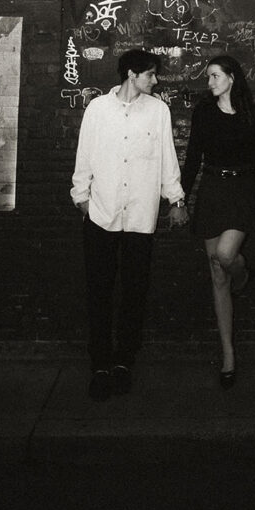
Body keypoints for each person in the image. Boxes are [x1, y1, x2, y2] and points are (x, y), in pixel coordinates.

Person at [71, 49, 189, 400]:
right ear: (132, 74)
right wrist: (80, 195)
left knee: (135, 292)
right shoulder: (97, 109)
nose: (155, 80)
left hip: (140, 215)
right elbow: (85, 153)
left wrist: (176, 199)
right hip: (101, 214)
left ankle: (124, 362)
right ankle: (100, 365)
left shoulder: (158, 111)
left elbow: (167, 157)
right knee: (100, 291)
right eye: (150, 74)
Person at [182, 54, 255, 389]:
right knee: (217, 274)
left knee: (226, 255)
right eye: (208, 77)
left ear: (232, 77)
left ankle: (243, 273)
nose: (210, 82)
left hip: (242, 189)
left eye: (216, 76)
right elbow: (192, 157)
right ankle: (228, 355)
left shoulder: (252, 114)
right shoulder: (204, 112)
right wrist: (181, 198)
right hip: (213, 189)